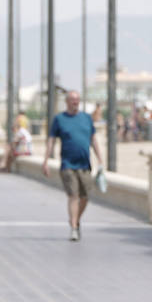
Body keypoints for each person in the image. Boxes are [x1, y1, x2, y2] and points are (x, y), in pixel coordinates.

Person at [43, 90, 103, 242]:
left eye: (77, 100)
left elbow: (93, 139)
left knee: (86, 196)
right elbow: (51, 140)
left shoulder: (86, 118)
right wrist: (45, 161)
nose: (75, 102)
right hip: (67, 164)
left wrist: (100, 159)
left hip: (85, 164)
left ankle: (75, 219)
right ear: (67, 102)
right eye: (72, 100)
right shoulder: (59, 119)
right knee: (73, 196)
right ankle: (74, 227)